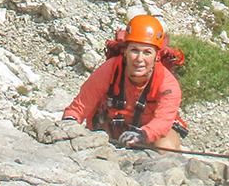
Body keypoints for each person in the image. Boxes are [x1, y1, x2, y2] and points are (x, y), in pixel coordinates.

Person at [62, 14, 187, 150]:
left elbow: (164, 121)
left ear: (156, 55)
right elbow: (81, 106)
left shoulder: (168, 84)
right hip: (110, 133)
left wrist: (143, 135)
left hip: (146, 137)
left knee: (168, 147)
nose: (140, 59)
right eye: (134, 50)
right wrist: (68, 124)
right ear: (125, 51)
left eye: (147, 53)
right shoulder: (109, 70)